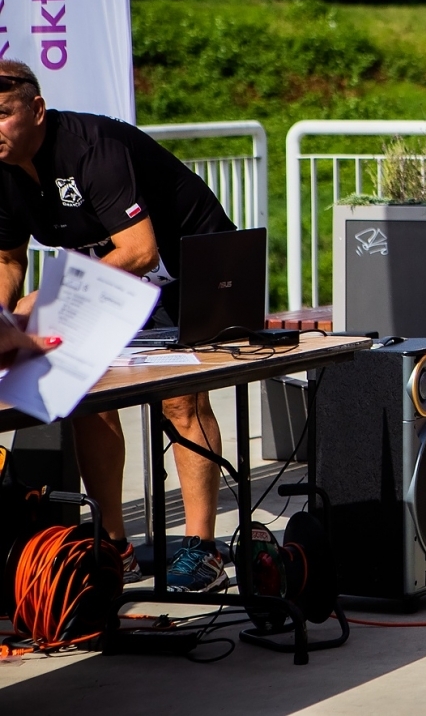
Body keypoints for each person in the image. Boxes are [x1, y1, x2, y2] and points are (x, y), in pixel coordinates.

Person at [0, 62, 239, 591]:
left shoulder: (91, 149)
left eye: (1, 114)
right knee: (88, 392)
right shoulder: (5, 170)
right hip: (111, 275)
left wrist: (51, 297)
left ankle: (202, 550)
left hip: (189, 264)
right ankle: (114, 547)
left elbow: (140, 250)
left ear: (36, 110)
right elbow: (8, 259)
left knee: (181, 400)